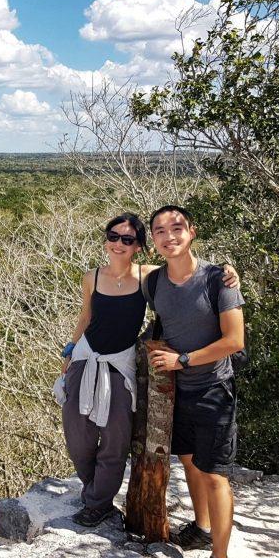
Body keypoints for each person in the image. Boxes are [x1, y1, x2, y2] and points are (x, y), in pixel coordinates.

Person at [57, 213, 239, 528]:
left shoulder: (147, 277)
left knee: (115, 437)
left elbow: (185, 269)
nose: (118, 244)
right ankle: (93, 490)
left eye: (128, 239)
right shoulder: (92, 277)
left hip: (121, 361)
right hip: (86, 357)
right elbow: (85, 317)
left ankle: (97, 504)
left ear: (140, 246)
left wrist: (229, 270)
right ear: (106, 239)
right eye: (113, 236)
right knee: (77, 435)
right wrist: (70, 350)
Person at [145, 204, 245, 558]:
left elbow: (234, 340)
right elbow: (116, 276)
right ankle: (202, 529)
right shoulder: (153, 282)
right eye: (159, 231)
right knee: (188, 460)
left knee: (215, 473)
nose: (169, 236)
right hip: (176, 392)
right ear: (153, 241)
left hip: (212, 388)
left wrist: (182, 360)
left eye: (176, 228)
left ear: (192, 232)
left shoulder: (218, 279)